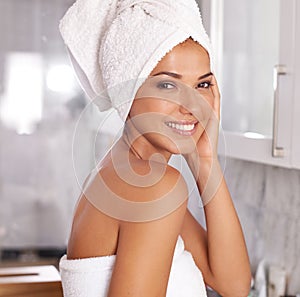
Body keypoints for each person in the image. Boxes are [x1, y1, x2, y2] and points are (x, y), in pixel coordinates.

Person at [58, 0, 252, 296]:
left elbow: (233, 285)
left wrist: (205, 161)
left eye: (202, 85)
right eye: (167, 85)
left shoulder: (132, 178)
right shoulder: (155, 188)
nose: (192, 105)